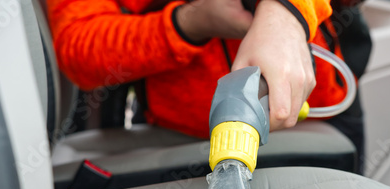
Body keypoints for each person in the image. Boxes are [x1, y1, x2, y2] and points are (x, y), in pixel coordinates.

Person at [48, 0, 369, 170]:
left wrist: (287, 12)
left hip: (318, 114)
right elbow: (78, 48)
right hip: (181, 136)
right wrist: (191, 22)